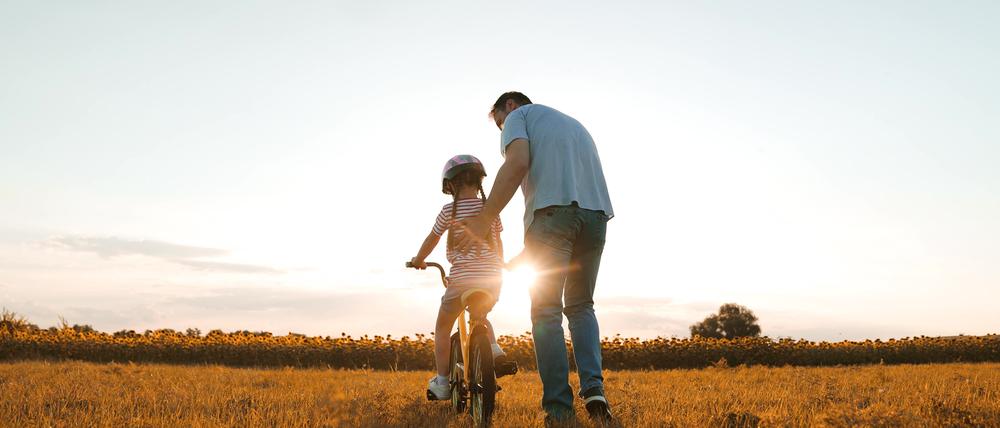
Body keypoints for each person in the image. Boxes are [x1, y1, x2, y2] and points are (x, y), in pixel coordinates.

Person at [456, 92, 615, 424]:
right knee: (581, 306)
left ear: (510, 106)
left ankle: (558, 407)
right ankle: (594, 391)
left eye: (500, 123)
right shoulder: (573, 126)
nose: (502, 130)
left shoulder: (520, 116)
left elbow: (517, 164)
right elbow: (570, 204)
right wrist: (526, 256)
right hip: (596, 217)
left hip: (551, 216)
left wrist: (485, 218)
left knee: (546, 312)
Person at [410, 154, 517, 400]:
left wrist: (418, 259)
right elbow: (499, 242)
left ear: (450, 185)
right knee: (481, 316)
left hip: (461, 280)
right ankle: (494, 350)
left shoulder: (449, 211)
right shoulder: (490, 209)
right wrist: (499, 264)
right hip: (492, 279)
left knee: (442, 327)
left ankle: (442, 382)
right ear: (479, 182)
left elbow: (433, 238)